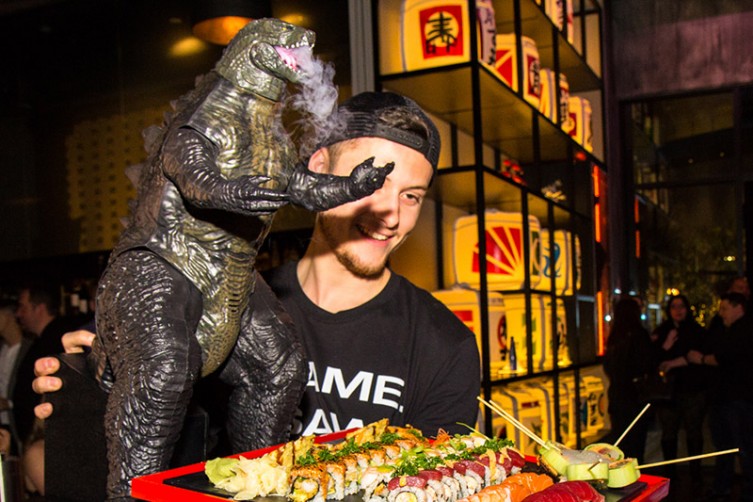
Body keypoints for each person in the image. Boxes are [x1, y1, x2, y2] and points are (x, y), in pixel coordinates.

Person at [32, 91, 480, 477]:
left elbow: (437, 485)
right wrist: (93, 390)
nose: (392, 215)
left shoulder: (445, 345)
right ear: (319, 169)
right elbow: (161, 455)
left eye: (411, 196)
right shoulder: (217, 306)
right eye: (374, 182)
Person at [687, 292, 753, 500]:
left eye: (725, 308)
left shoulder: (744, 331)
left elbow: (725, 357)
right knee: (726, 446)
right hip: (724, 397)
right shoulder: (728, 330)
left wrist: (702, 359)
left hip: (737, 397)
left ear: (738, 308)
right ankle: (723, 486)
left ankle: (746, 489)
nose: (721, 313)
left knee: (742, 445)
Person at [651, 294, 708, 483]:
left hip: (693, 388)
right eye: (674, 306)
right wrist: (666, 346)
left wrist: (675, 362)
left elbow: (698, 356)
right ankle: (670, 474)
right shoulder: (663, 331)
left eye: (681, 306)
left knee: (694, 431)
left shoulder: (696, 331)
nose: (678, 310)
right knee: (669, 433)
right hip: (668, 392)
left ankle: (696, 473)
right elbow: (654, 360)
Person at [12, 281, 75, 446]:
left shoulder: (59, 341)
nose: (18, 314)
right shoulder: (40, 342)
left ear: (39, 308)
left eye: (23, 307)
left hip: (48, 442)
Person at [602, 297, 655, 464]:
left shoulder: (614, 337)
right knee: (637, 445)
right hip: (635, 396)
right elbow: (647, 364)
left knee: (621, 443)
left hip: (618, 395)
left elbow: (609, 367)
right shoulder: (640, 335)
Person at [0, 300, 32, 455]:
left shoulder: (30, 349)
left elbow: (32, 394)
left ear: (8, 316)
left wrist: (8, 403)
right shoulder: (2, 349)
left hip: (21, 427)